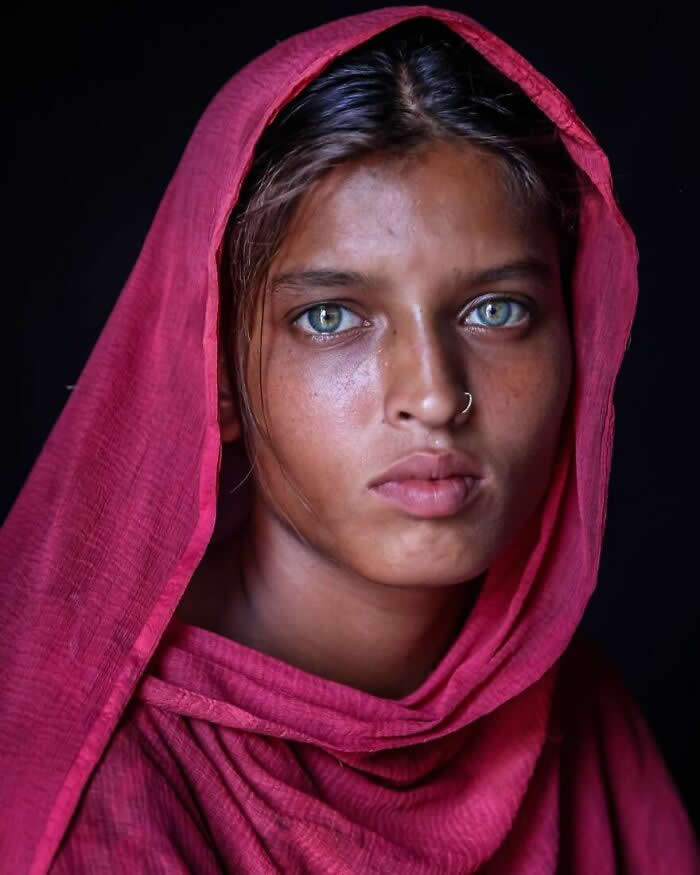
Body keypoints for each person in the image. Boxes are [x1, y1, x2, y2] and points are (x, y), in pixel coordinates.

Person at [1, 6, 697, 873]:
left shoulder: (573, 708)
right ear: (214, 374)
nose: (435, 396)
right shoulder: (95, 783)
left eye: (497, 309)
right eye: (330, 318)